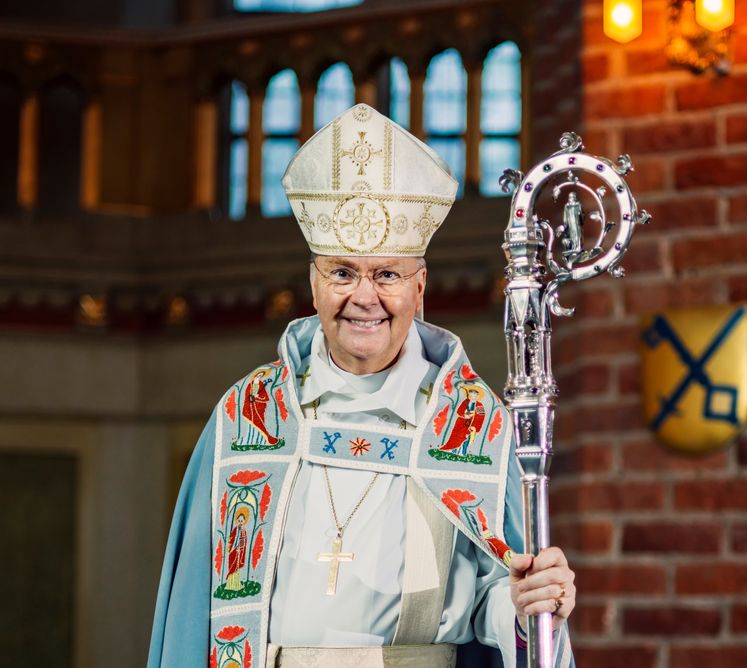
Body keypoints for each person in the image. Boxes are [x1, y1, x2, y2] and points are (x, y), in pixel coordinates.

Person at [148, 103, 577, 668]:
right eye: (343, 272)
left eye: (387, 275)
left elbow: (488, 603)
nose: (363, 297)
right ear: (314, 282)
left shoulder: (469, 423)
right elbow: (194, 607)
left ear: (419, 288)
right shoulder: (250, 416)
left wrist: (526, 608)